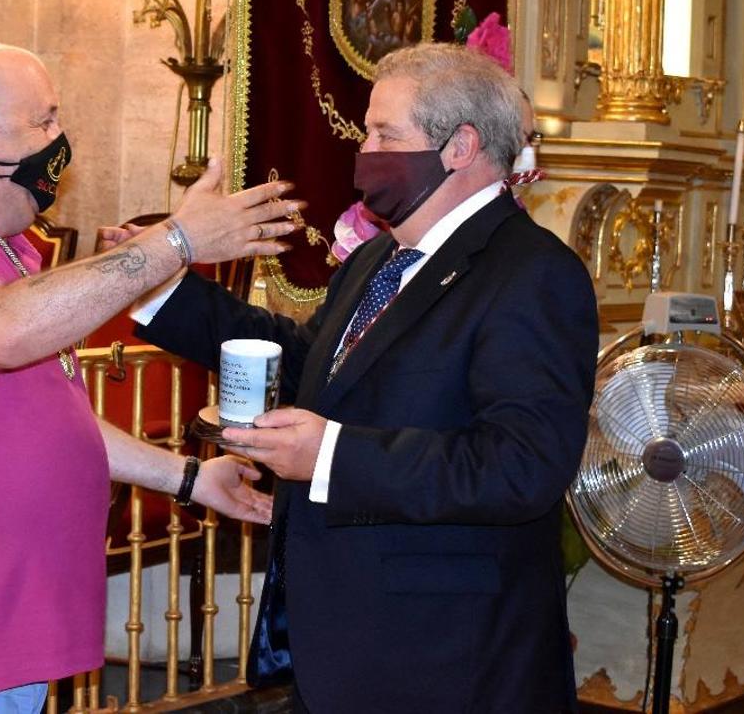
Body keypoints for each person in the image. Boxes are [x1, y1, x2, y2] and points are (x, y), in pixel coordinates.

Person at [0, 40, 301, 713]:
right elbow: (2, 333)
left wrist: (186, 477)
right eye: (44, 121)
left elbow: (46, 421)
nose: (59, 139)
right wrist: (178, 240)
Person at [133, 43, 598, 712]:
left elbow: (522, 465)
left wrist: (328, 454)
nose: (366, 149)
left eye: (386, 134)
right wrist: (158, 290)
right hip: (351, 641)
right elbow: (317, 368)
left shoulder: (530, 273)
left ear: (460, 146)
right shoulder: (379, 257)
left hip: (447, 659)